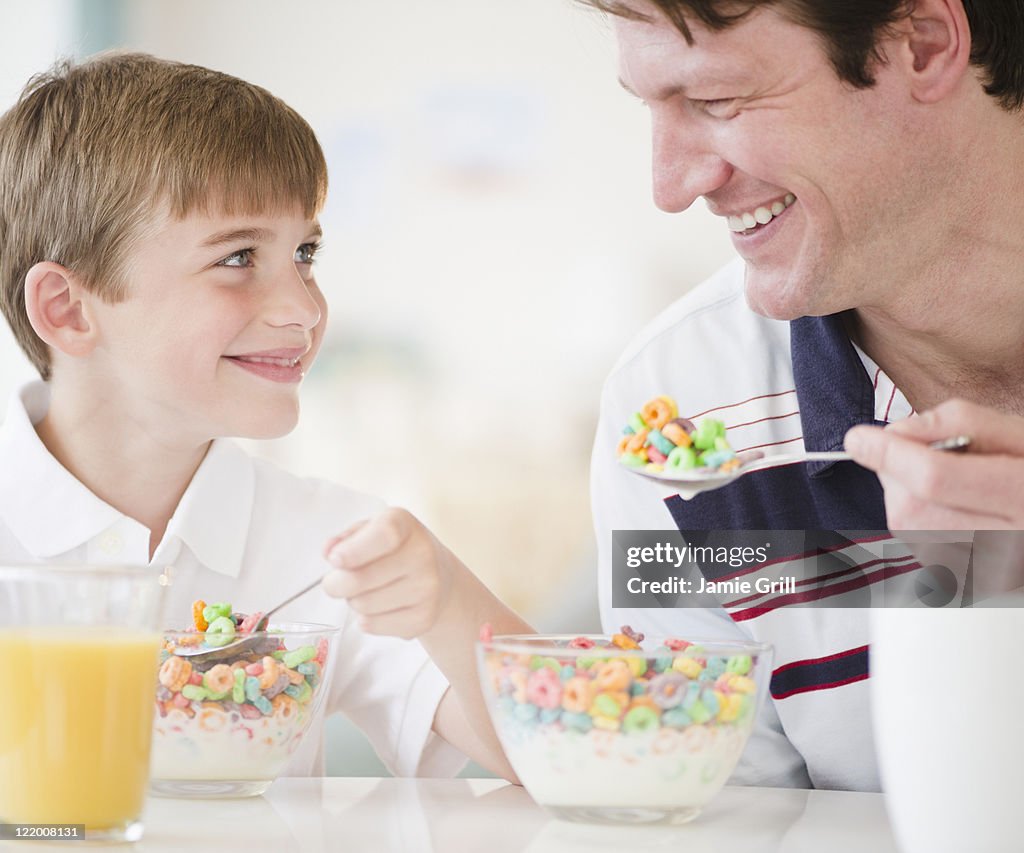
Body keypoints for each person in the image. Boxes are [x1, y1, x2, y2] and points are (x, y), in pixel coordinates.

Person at [0, 52, 528, 781]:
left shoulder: (331, 550)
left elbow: (553, 760)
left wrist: (446, 596)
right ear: (68, 309)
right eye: (240, 256)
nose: (305, 309)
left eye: (305, 253)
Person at [580, 0, 1024, 790]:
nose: (671, 186)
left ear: (920, 44)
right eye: (651, 107)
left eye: (716, 101)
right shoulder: (673, 411)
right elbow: (708, 816)